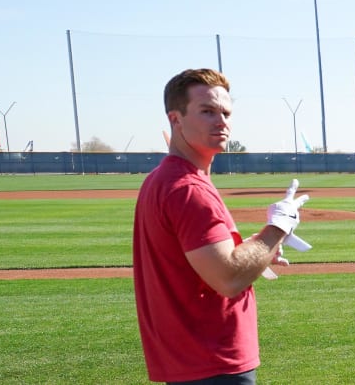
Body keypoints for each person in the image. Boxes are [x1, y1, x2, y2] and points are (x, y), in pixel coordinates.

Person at [132, 68, 309, 384]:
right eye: (207, 111)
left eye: (225, 112)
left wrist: (262, 250)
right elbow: (228, 278)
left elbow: (204, 262)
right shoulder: (188, 188)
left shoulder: (164, 179)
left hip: (191, 360)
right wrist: (279, 225)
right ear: (176, 119)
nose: (221, 121)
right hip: (213, 363)